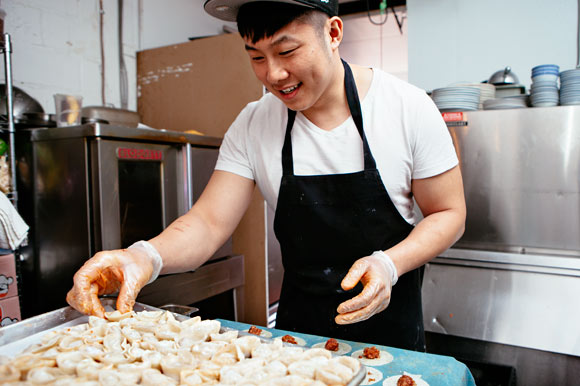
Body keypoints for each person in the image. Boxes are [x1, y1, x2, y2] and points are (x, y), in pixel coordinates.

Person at [67, 0, 466, 351]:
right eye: (256, 57)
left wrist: (389, 264)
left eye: (287, 51)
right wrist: (142, 257)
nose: (274, 75)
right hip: (297, 341)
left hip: (391, 337)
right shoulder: (254, 123)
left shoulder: (406, 107)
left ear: (333, 32)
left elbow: (448, 212)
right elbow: (207, 223)